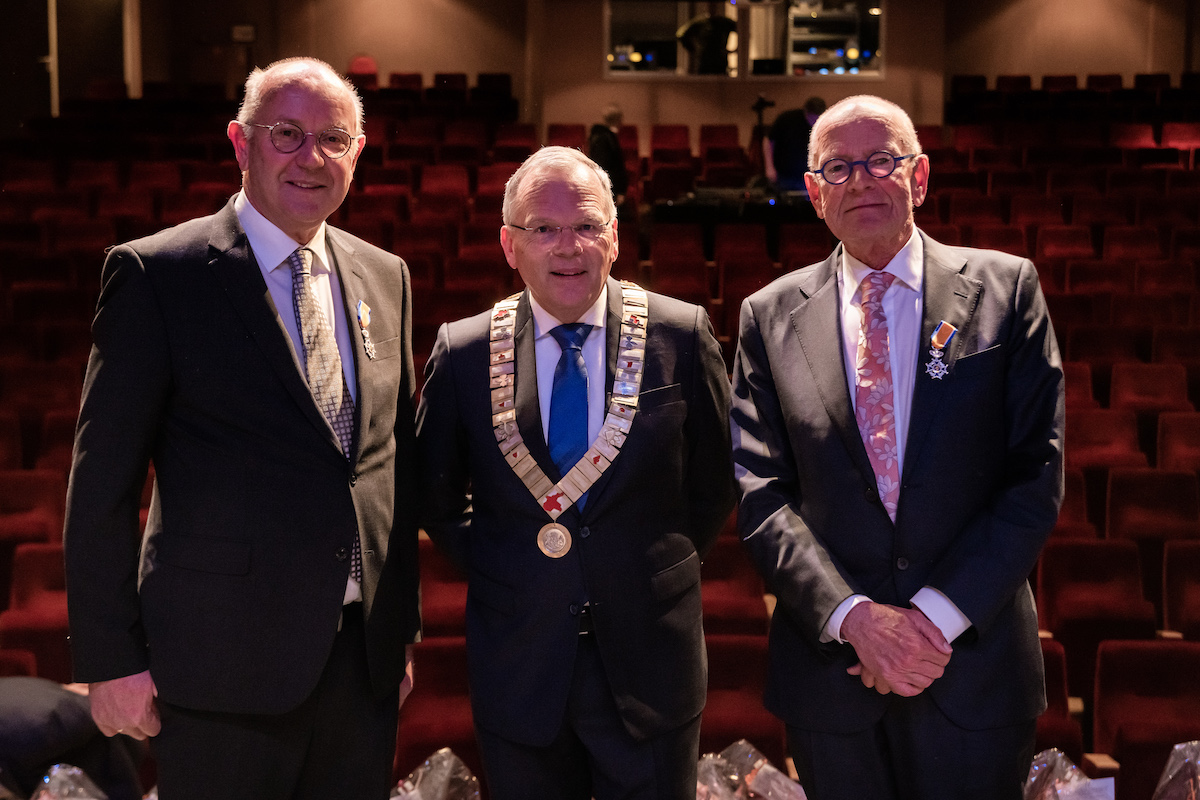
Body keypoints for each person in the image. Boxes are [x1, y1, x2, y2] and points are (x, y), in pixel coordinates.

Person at [63, 57, 421, 800]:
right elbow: (102, 482)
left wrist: (397, 632)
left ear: (357, 152)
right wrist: (109, 658)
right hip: (219, 668)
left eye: (333, 138)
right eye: (286, 134)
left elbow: (391, 469)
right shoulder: (159, 274)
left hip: (361, 670)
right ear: (240, 142)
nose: (310, 157)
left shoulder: (386, 275)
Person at [729, 95, 1064, 799]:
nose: (861, 180)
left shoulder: (1008, 289)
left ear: (919, 177)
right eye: (839, 168)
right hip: (833, 678)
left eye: (881, 160)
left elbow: (1035, 473)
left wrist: (930, 622)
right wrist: (855, 620)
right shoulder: (767, 315)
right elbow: (760, 493)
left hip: (972, 666)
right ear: (814, 193)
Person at [416, 146, 736, 800]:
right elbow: (433, 493)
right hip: (520, 660)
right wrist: (510, 560)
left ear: (614, 237)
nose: (569, 247)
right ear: (510, 244)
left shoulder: (680, 333)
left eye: (587, 225)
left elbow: (718, 479)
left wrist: (650, 560)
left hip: (652, 659)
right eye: (544, 229)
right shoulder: (465, 349)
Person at [0, 678, 145, 800]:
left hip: (104, 754)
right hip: (37, 763)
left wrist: (91, 697)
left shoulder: (42, 728)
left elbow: (105, 710)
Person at [763, 96, 827, 193]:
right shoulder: (787, 119)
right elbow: (768, 141)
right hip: (784, 175)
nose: (814, 122)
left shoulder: (823, 124)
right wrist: (769, 167)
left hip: (809, 175)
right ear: (806, 112)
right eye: (812, 118)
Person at [587, 104, 628, 208]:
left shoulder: (598, 136)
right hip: (608, 187)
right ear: (617, 119)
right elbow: (613, 166)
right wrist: (619, 190)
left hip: (602, 185)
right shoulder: (607, 138)